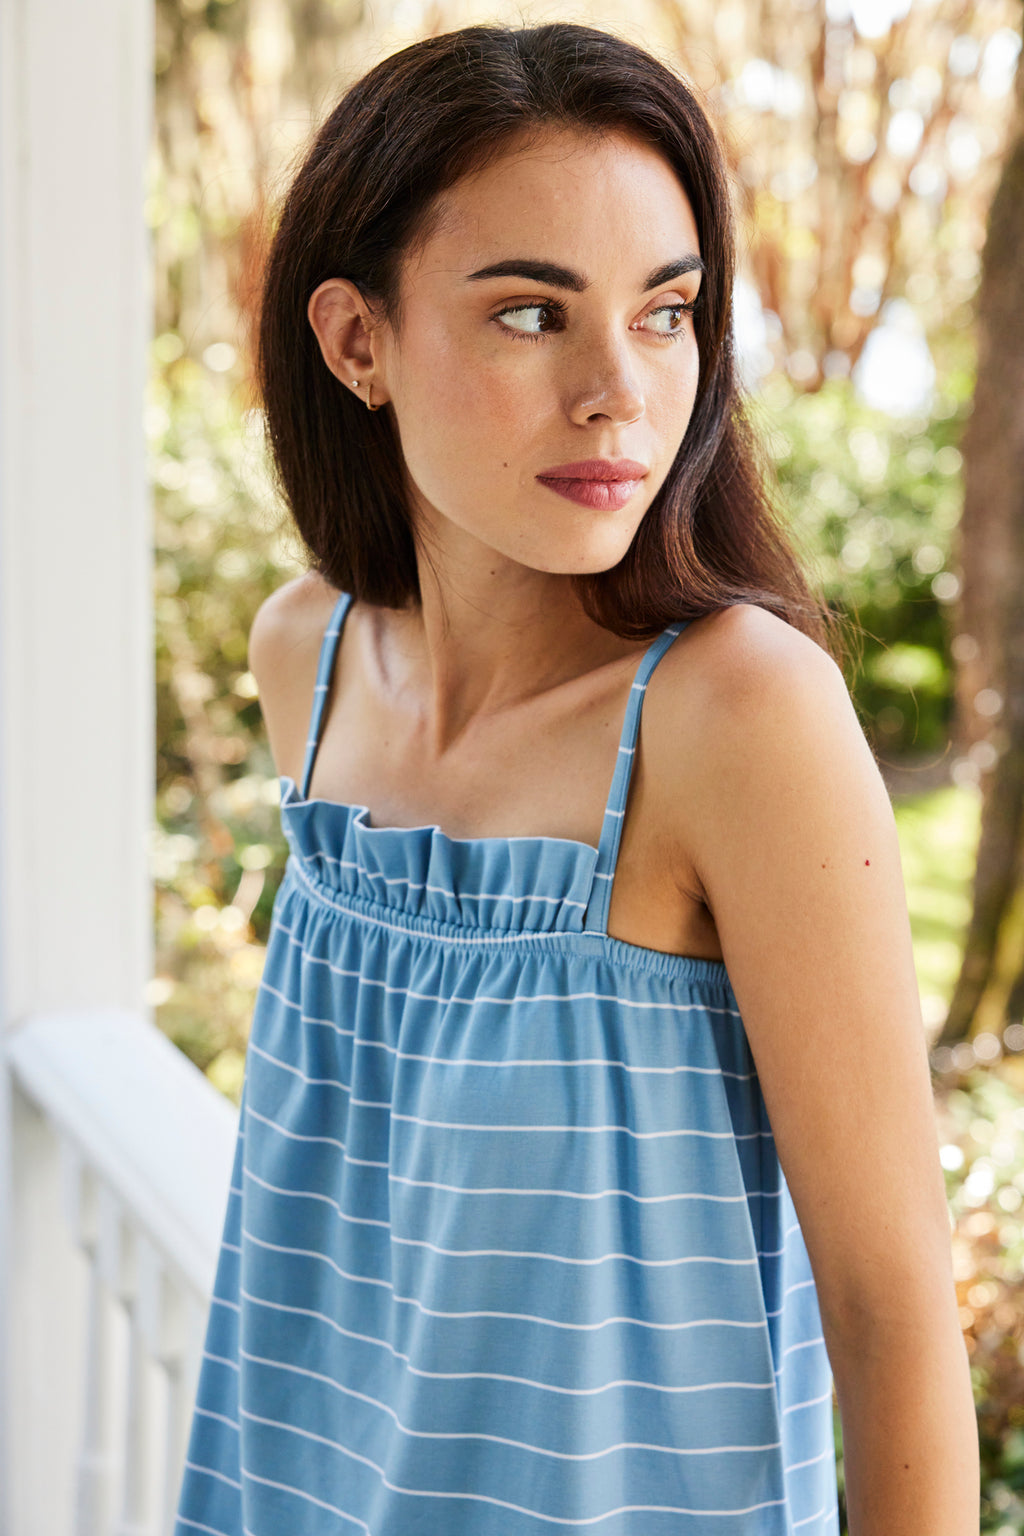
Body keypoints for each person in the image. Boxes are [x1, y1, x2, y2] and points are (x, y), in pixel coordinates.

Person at [174, 20, 978, 1536]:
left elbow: (887, 1310)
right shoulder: (314, 661)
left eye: (666, 311)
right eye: (534, 314)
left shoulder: (735, 719)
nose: (620, 390)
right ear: (355, 342)